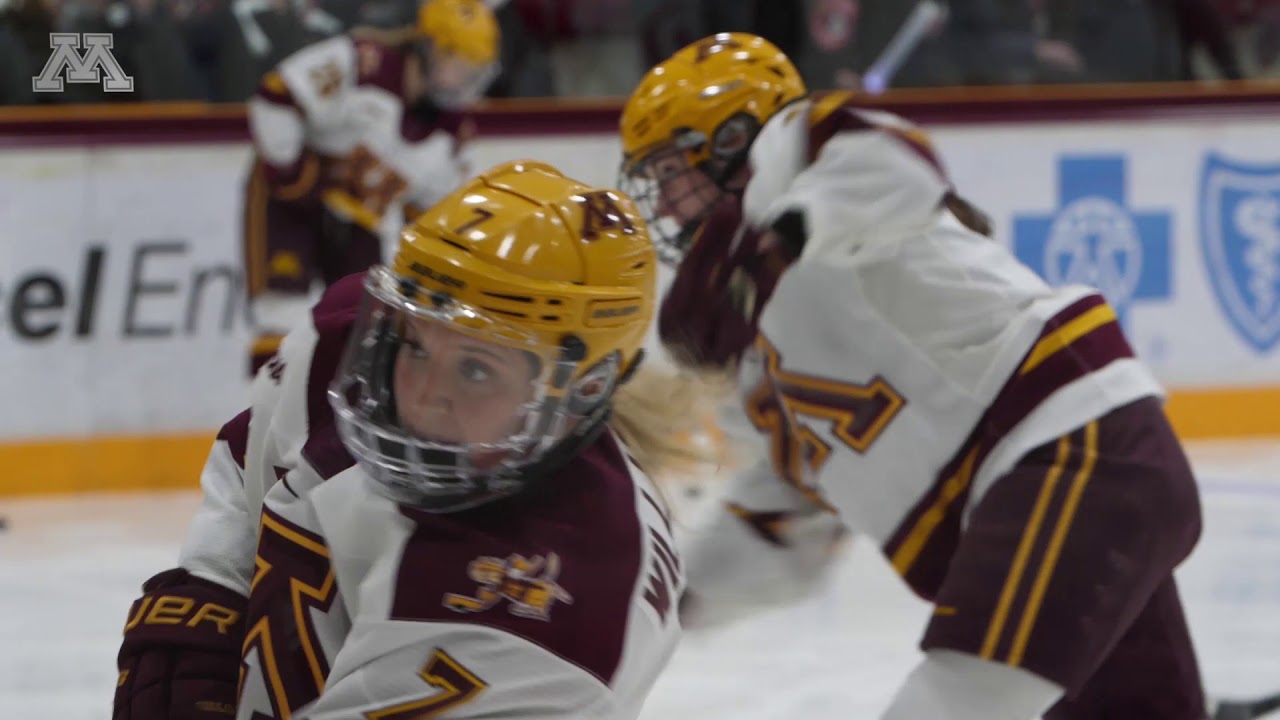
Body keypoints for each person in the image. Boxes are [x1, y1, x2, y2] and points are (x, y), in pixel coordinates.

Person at [618, 32, 1209, 720]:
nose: (664, 207)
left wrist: (776, 242)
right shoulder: (746, 342)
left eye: (670, 174)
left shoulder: (796, 156)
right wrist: (678, 600)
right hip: (1057, 495)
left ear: (728, 143)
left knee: (955, 703)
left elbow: (893, 162)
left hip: (1071, 458)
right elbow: (780, 524)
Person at [113, 160, 710, 720]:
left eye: (475, 369)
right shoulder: (347, 348)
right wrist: (215, 578)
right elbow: (251, 455)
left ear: (583, 389)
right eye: (416, 345)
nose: (422, 397)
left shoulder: (563, 622)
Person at [243, 0, 501, 376]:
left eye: (473, 73)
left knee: (362, 326)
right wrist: (293, 176)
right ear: (427, 48)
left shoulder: (452, 133)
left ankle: (330, 411)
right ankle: (264, 410)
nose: (465, 83)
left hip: (361, 220)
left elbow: (431, 216)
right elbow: (277, 95)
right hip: (293, 205)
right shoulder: (362, 64)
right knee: (280, 314)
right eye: (458, 67)